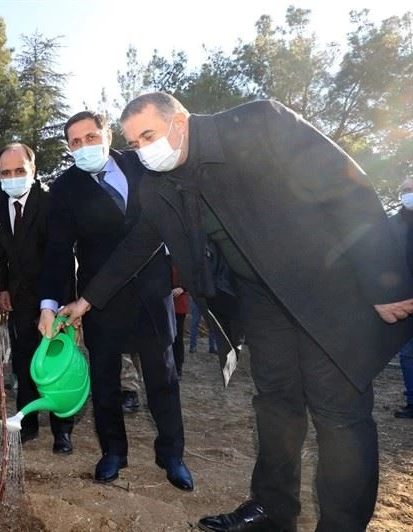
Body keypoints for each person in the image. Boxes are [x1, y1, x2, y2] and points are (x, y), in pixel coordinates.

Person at [59, 92, 413, 531]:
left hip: (328, 289)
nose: (143, 150)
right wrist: (86, 300)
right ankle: (272, 509)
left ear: (181, 122)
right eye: (134, 143)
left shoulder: (258, 123)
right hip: (262, 301)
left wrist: (387, 277)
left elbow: (345, 181)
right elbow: (135, 248)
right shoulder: (161, 185)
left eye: (149, 134)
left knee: (338, 414)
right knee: (275, 405)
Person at [38, 111, 193, 491]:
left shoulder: (144, 165)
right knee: (105, 382)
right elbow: (58, 252)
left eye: (91, 136)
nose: (84, 146)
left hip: (153, 294)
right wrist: (48, 303)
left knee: (163, 378)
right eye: (75, 142)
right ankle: (113, 452)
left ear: (107, 135)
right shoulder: (64, 189)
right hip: (100, 302)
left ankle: (171, 454)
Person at [0, 142, 74, 453]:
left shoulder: (53, 202)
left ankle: (62, 430)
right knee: (24, 364)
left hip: (54, 296)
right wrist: (1, 288)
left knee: (56, 366)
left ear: (33, 171)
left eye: (19, 171)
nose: (13, 177)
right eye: (5, 172)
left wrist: (54, 304)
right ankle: (28, 423)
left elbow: (61, 255)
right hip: (19, 300)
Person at [391, 178, 413, 419]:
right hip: (404, 298)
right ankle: (412, 401)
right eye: (405, 190)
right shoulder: (391, 225)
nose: (409, 194)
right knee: (408, 354)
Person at [170, 266, 190, 377]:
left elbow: (192, 278)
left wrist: (183, 288)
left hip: (178, 303)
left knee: (177, 337)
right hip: (164, 301)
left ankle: (177, 368)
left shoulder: (181, 258)